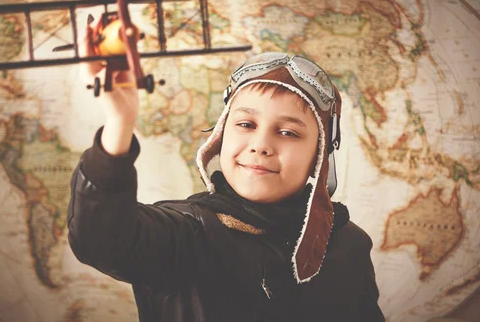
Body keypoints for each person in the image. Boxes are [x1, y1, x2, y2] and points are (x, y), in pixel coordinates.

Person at [67, 18, 385, 321]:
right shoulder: (183, 235)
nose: (261, 145)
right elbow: (102, 240)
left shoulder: (349, 244)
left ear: (320, 155)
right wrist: (120, 121)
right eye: (246, 124)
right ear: (221, 137)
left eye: (288, 132)